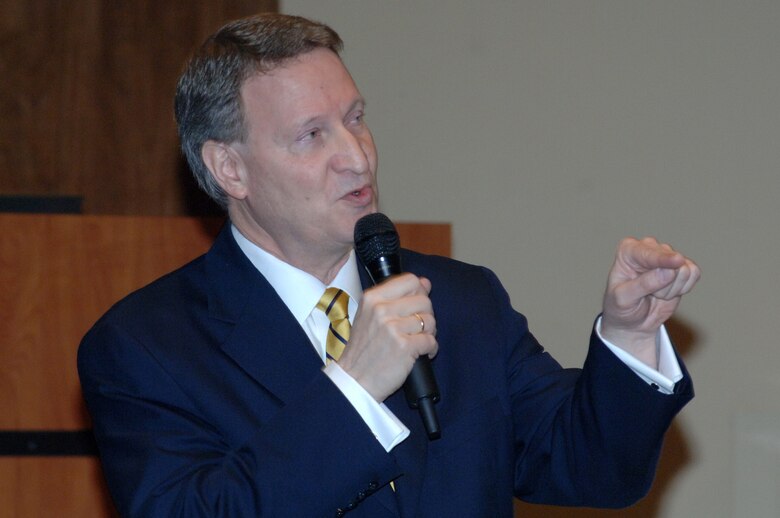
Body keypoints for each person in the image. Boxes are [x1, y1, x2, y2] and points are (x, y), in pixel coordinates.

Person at [78, 13, 700, 518]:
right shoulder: (146, 346)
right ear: (229, 169)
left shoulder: (463, 299)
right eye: (312, 135)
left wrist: (628, 336)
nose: (357, 156)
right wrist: (353, 388)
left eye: (355, 119)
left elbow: (592, 469)